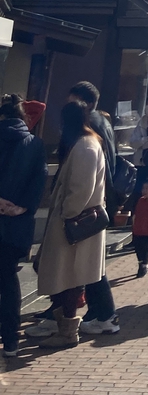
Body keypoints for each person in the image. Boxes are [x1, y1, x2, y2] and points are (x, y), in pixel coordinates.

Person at [31, 100, 107, 349]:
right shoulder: (87, 143)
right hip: (76, 224)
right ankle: (63, 326)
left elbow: (80, 189)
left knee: (69, 277)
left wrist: (66, 214)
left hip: (75, 226)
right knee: (68, 277)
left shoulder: (85, 146)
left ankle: (67, 331)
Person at [67, 81, 121, 336]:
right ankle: (99, 314)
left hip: (90, 204)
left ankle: (104, 315)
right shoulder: (103, 122)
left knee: (90, 264)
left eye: (73, 101)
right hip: (101, 201)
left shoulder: (90, 130)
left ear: (86, 103)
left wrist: (70, 209)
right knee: (91, 263)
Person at [0, 95, 46, 358]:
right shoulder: (35, 144)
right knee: (8, 279)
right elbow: (39, 182)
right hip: (17, 223)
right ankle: (10, 341)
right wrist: (21, 207)